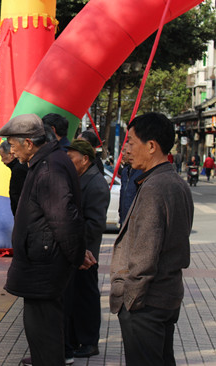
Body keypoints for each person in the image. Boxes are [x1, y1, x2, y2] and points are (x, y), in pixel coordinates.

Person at [0, 113, 85, 366]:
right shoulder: (48, 160)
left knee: (44, 331)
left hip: (44, 266)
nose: (12, 151)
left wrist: (76, 256)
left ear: (28, 142)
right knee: (41, 331)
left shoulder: (48, 168)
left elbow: (63, 220)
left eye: (13, 145)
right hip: (42, 264)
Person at [110, 112, 194, 365]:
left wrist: (130, 299)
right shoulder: (175, 182)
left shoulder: (155, 187)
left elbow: (145, 254)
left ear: (151, 146)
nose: (127, 149)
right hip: (166, 296)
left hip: (147, 302)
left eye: (132, 142)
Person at [64, 140, 110, 360]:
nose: (68, 163)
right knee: (76, 298)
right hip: (77, 252)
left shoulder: (96, 183)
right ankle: (76, 338)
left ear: (84, 159)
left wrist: (79, 247)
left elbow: (94, 224)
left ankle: (90, 342)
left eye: (71, 158)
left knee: (86, 298)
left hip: (86, 253)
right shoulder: (80, 178)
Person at [0, 140, 28, 216]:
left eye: (2, 156)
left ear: (11, 155)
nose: (2, 160)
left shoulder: (18, 170)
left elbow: (19, 196)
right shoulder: (20, 166)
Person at [118, 143, 142, 225]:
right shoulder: (125, 172)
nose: (123, 154)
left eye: (125, 151)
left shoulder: (142, 172)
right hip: (124, 221)